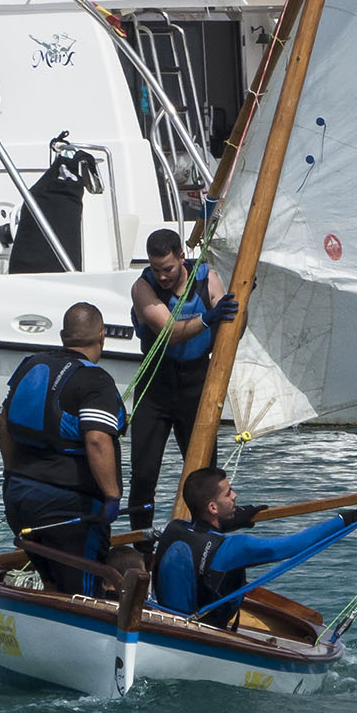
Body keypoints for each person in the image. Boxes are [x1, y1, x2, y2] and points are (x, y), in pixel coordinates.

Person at [0, 301, 126, 597]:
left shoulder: (31, 365)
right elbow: (96, 440)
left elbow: (4, 424)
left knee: (52, 585)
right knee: (81, 596)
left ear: (63, 335)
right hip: (70, 511)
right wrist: (112, 497)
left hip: (20, 500)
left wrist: (9, 473)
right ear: (102, 335)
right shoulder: (96, 380)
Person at [154, 467, 357, 626]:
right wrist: (347, 520)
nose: (235, 495)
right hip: (202, 633)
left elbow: (203, 536)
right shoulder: (235, 548)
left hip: (165, 620)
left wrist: (235, 517)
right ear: (213, 507)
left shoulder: (174, 528)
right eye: (228, 493)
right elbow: (293, 545)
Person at [127, 228, 235, 535]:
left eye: (169, 269)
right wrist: (207, 319)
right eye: (156, 269)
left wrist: (243, 303)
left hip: (196, 383)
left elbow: (233, 331)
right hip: (156, 388)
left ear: (182, 258)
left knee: (204, 475)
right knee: (144, 474)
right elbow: (170, 333)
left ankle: (207, 539)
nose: (162, 276)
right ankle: (142, 544)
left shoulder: (207, 279)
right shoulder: (142, 288)